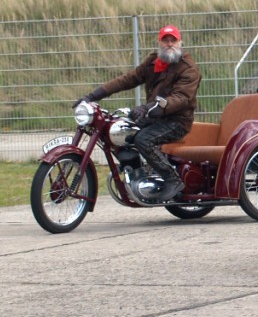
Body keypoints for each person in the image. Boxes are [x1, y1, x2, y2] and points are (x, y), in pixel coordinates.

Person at [73, 24, 202, 201]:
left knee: (144, 139)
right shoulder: (153, 62)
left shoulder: (188, 69)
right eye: (166, 40)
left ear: (180, 43)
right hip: (155, 117)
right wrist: (92, 96)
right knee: (122, 130)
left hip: (177, 121)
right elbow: (128, 79)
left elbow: (180, 98)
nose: (170, 44)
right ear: (160, 42)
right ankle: (134, 170)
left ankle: (173, 179)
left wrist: (149, 108)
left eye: (174, 40)